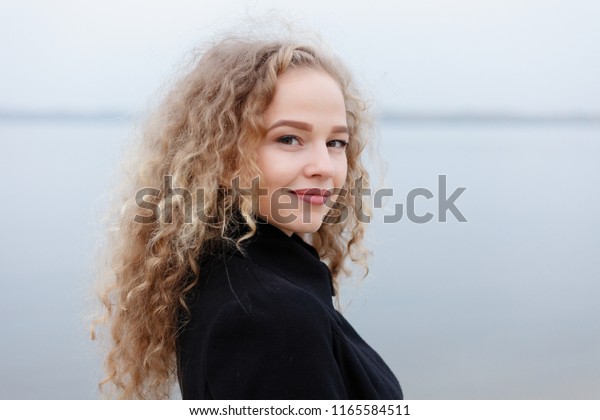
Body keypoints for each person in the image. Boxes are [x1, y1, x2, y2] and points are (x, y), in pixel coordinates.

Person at [94, 31, 402, 399]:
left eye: (336, 142)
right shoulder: (268, 314)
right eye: (289, 139)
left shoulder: (217, 269)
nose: (324, 165)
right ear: (223, 155)